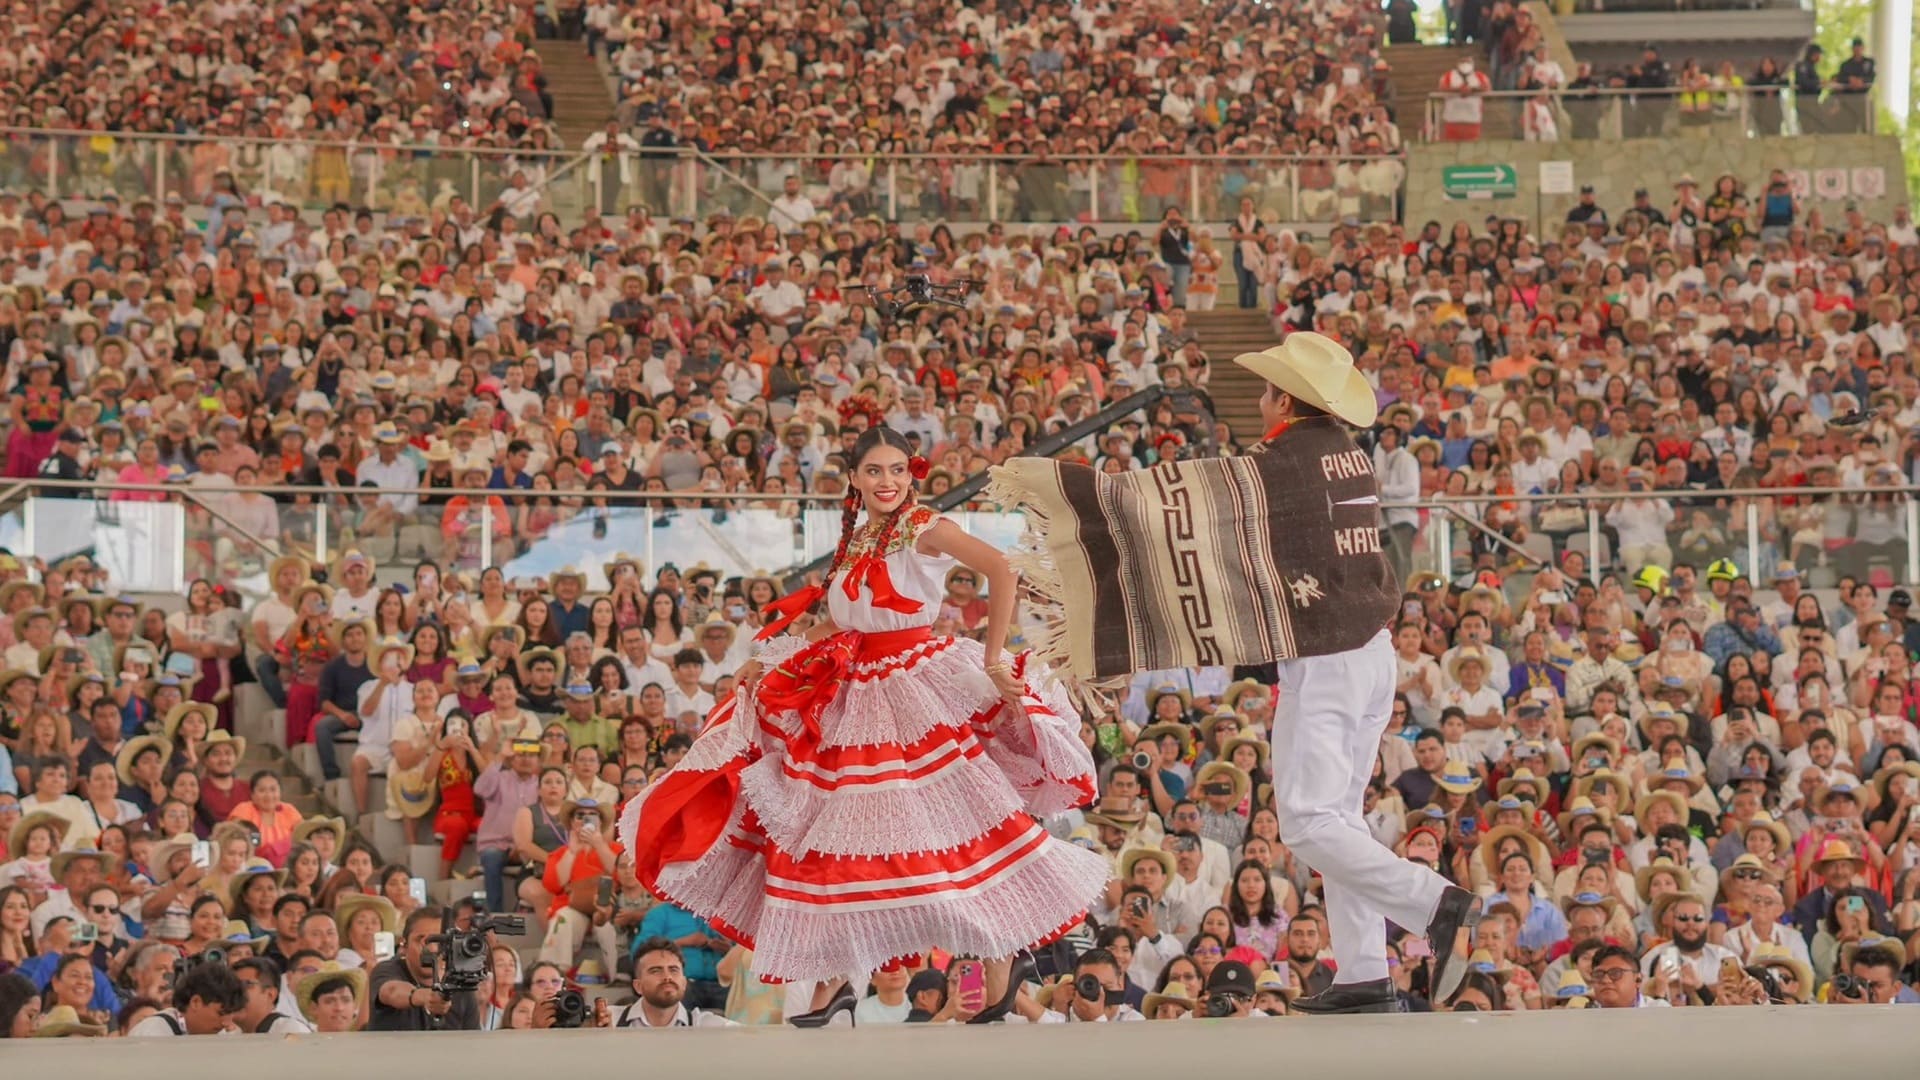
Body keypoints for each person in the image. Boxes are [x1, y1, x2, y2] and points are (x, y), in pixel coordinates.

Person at [619, 424, 1108, 1026]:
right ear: (853, 477)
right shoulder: (858, 537)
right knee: (832, 834)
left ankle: (998, 951)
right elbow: (835, 621)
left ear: (912, 474)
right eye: (875, 471)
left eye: (897, 470)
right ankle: (835, 977)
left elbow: (1002, 569)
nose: (887, 481)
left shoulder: (922, 524)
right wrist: (765, 656)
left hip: (910, 687)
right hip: (854, 689)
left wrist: (991, 655)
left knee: (951, 829)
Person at [1226, 332, 1481, 1013]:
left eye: (1267, 389)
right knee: (1339, 818)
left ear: (1284, 400)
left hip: (1329, 650)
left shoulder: (1279, 458)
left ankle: (1436, 903)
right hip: (1369, 647)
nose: (1258, 400)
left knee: (1308, 823)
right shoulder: (1349, 454)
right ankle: (1365, 971)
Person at [367, 907, 480, 1031]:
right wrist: (422, 996)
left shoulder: (461, 983)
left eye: (439, 940)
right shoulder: (387, 969)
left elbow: (472, 1040)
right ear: (404, 944)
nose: (431, 948)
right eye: (420, 939)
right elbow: (391, 991)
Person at [609, 937, 732, 1027]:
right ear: (638, 986)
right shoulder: (610, 1020)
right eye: (656, 971)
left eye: (673, 970)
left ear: (684, 983)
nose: (667, 977)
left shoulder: (707, 1026)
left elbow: (748, 1038)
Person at [127, 958, 247, 1035]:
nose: (225, 1023)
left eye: (230, 1014)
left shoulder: (223, 1035)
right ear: (195, 1002)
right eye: (220, 1013)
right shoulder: (152, 1033)